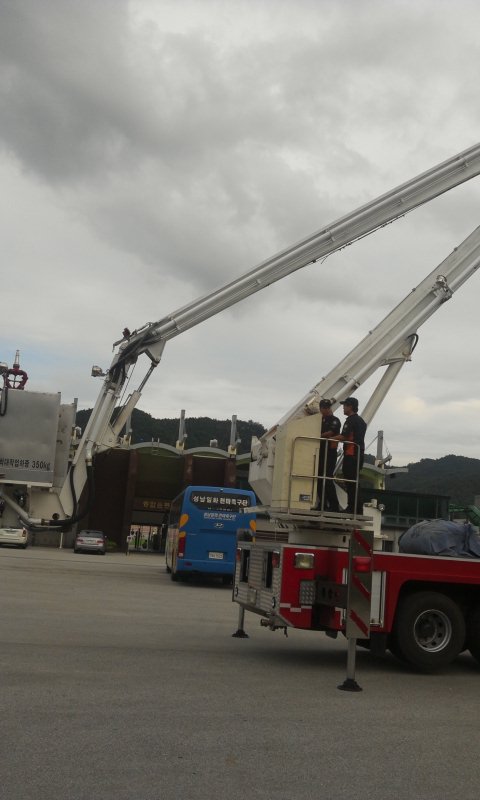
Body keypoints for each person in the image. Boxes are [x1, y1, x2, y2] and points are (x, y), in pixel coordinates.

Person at [335, 397, 367, 515]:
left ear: (350, 406)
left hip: (351, 453)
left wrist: (328, 439)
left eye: (345, 405)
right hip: (358, 454)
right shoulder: (361, 421)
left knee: (350, 481)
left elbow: (344, 436)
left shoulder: (350, 421)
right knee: (354, 482)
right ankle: (358, 509)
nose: (343, 408)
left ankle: (352, 508)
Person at [314, 399, 341, 512]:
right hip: (320, 452)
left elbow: (331, 432)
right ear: (321, 409)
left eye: (328, 407)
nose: (327, 409)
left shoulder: (335, 420)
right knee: (319, 478)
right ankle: (323, 504)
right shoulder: (319, 420)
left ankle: (334, 505)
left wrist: (318, 435)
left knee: (328, 478)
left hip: (330, 452)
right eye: (324, 408)